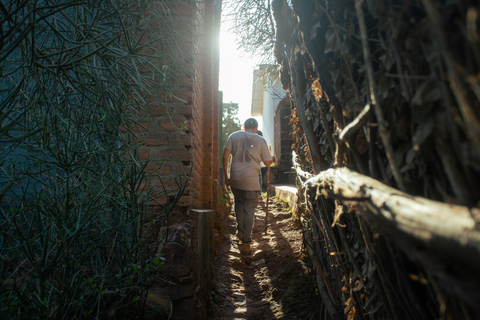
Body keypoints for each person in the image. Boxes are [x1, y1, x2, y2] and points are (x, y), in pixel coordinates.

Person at [222, 118, 273, 255]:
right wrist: (271, 158)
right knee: (249, 209)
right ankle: (246, 242)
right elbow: (268, 163)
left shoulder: (234, 136)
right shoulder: (260, 140)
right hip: (251, 181)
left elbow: (225, 156)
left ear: (244, 127)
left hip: (236, 178)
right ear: (256, 128)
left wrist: (227, 177)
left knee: (238, 203)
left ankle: (239, 230)